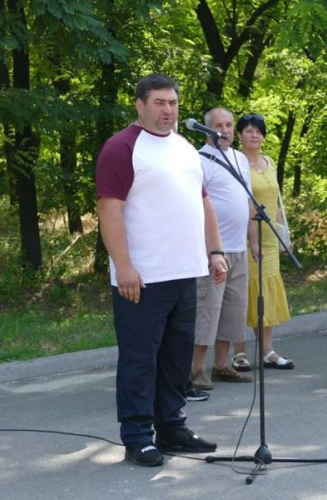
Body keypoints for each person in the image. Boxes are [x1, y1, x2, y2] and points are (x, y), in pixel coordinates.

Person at [96, 74, 227, 467]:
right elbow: (109, 209)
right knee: (140, 360)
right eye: (158, 102)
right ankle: (137, 436)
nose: (167, 109)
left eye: (172, 102)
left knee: (175, 357)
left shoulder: (186, 148)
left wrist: (215, 251)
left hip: (185, 272)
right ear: (139, 104)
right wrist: (124, 266)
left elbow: (203, 203)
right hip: (143, 278)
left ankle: (171, 428)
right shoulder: (122, 148)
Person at [190, 107, 256, 391]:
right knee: (208, 310)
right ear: (207, 129)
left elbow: (247, 202)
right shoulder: (198, 160)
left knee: (233, 310)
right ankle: (195, 370)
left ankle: (221, 366)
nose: (225, 130)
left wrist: (253, 240)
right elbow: (194, 206)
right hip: (213, 251)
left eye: (229, 125)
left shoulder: (240, 158)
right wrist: (209, 249)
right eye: (219, 125)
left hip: (239, 248)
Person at [231, 113, 294, 371]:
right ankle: (239, 352)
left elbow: (276, 201)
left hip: (269, 237)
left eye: (258, 130)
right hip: (245, 239)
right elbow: (242, 203)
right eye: (248, 130)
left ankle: (268, 351)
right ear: (239, 135)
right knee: (242, 296)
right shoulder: (236, 161)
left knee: (265, 295)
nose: (253, 135)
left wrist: (285, 236)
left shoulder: (268, 162)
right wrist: (252, 240)